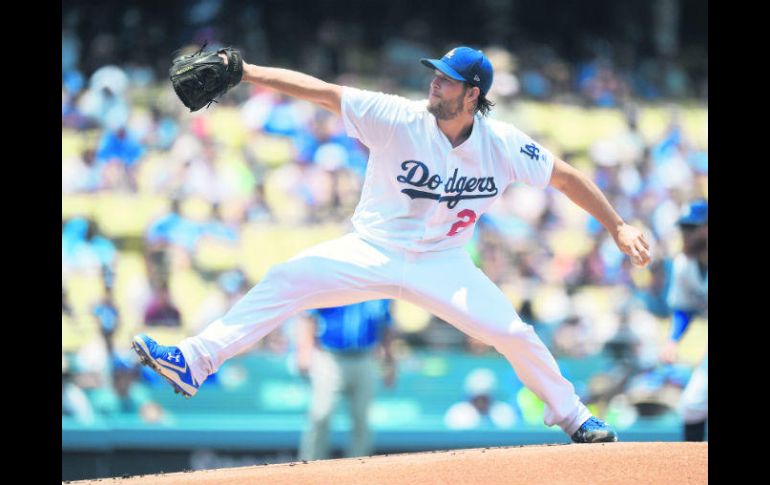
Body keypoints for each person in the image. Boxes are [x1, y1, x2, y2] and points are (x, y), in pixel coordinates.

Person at [133, 45, 651, 444]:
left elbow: (564, 177)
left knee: (513, 332)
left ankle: (574, 416)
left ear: (472, 94)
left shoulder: (503, 144)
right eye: (436, 73)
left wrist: (617, 226)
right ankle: (193, 361)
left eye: (447, 79)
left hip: (443, 264)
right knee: (288, 277)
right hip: (372, 248)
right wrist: (246, 73)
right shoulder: (398, 116)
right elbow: (321, 92)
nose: (435, 81)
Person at [296, 299, 395, 460]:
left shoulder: (378, 288)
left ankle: (358, 471)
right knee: (321, 414)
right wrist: (304, 349)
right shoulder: (334, 281)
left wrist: (390, 361)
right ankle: (309, 467)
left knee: (362, 420)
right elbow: (307, 315)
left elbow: (386, 325)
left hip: (365, 357)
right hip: (330, 357)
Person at [660, 199, 707, 441]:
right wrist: (673, 340)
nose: (685, 234)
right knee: (692, 404)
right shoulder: (684, 265)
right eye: (683, 228)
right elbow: (684, 309)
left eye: (692, 228)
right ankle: (694, 471)